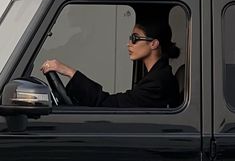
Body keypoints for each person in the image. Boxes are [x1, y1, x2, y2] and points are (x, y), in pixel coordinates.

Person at [41, 20, 180, 108]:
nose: (128, 43)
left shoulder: (158, 82)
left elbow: (108, 104)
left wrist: (68, 71)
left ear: (154, 43)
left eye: (135, 38)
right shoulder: (157, 75)